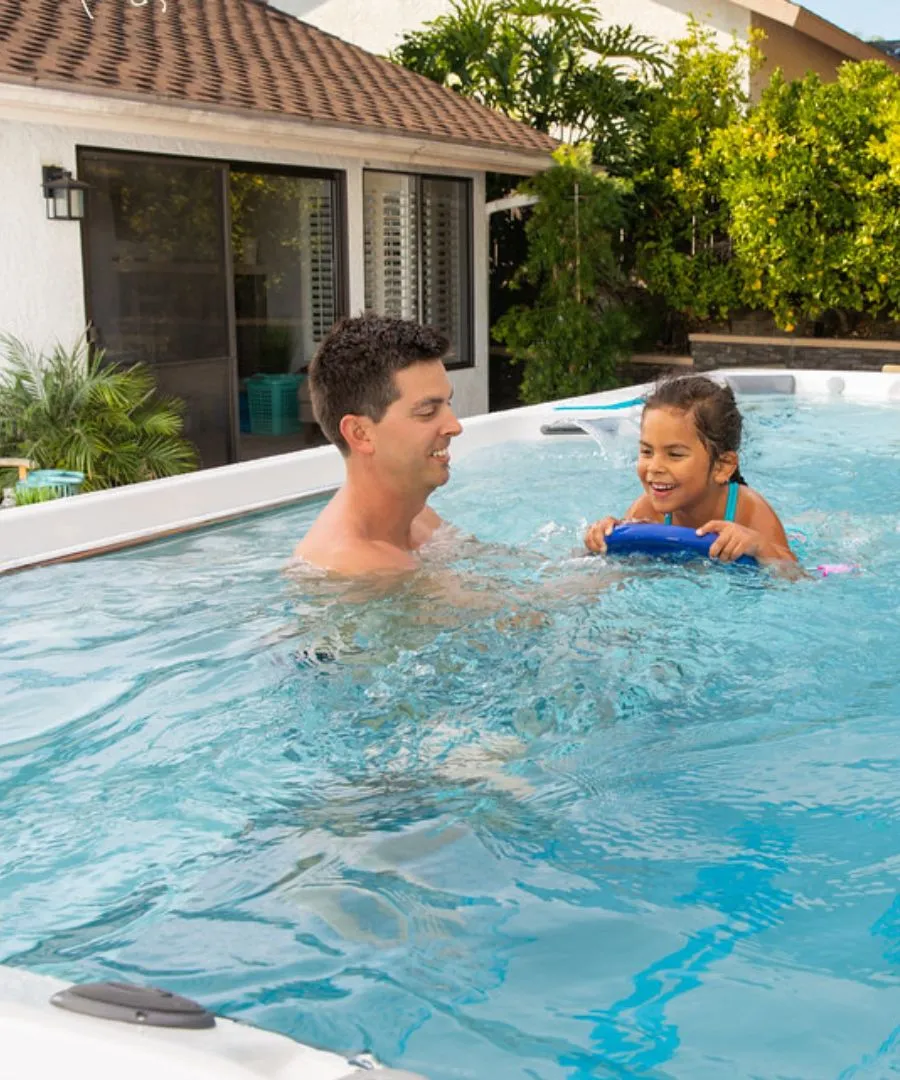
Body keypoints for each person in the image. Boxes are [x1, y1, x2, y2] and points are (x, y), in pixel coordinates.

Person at [293, 313, 463, 576]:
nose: (455, 426)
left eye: (448, 403)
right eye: (427, 412)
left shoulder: (419, 518)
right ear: (360, 433)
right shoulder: (349, 567)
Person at [584, 375, 796, 566]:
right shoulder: (646, 512)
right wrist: (601, 538)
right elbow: (616, 565)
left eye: (675, 454)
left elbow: (794, 577)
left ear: (722, 466)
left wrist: (758, 546)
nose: (654, 467)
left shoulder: (749, 510)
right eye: (647, 451)